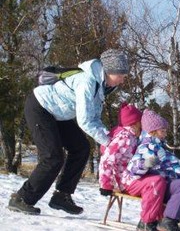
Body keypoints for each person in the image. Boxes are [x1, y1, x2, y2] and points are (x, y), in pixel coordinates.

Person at [8, 49, 130, 215]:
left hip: (57, 113)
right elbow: (85, 120)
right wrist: (109, 142)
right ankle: (22, 198)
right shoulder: (87, 81)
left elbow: (93, 117)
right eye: (122, 74)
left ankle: (62, 196)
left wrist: (109, 137)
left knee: (81, 148)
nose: (123, 79)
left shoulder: (100, 85)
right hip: (40, 107)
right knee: (53, 157)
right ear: (110, 70)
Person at [128, 109, 180, 231]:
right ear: (153, 131)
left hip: (171, 184)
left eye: (166, 130)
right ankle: (168, 221)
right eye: (163, 130)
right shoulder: (146, 146)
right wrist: (146, 164)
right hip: (160, 186)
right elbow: (132, 169)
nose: (165, 133)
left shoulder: (162, 147)